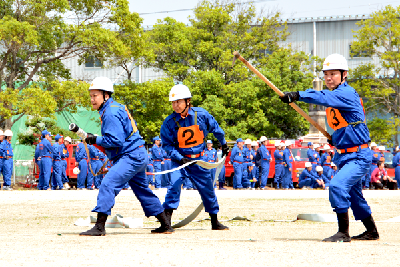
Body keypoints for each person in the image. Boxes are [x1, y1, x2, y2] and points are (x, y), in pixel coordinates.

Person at [280, 53, 379, 242]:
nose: (328, 78)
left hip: (358, 155)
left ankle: (343, 232)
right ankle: (372, 231)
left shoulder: (345, 93)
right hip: (344, 154)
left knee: (337, 186)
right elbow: (346, 126)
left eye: (333, 74)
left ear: (344, 75)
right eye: (326, 74)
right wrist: (336, 138)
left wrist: (298, 95)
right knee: (354, 195)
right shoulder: (335, 99)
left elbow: (322, 96)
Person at [80, 76, 172, 236]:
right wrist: (96, 139)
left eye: (95, 95)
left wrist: (95, 139)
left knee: (108, 184)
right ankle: (165, 224)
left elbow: (115, 140)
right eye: (91, 95)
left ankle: (100, 227)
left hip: (131, 156)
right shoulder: (114, 108)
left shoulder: (110, 113)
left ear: (106, 95)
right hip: (138, 154)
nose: (92, 99)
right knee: (142, 190)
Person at [160, 84, 230, 230]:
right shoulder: (168, 122)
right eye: (173, 102)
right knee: (174, 186)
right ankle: (166, 224)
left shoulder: (202, 115)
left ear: (188, 101)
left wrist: (223, 144)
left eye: (178, 102)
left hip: (198, 160)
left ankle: (215, 222)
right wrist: (180, 158)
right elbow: (167, 145)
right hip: (179, 161)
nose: (175, 105)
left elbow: (217, 129)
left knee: (207, 189)